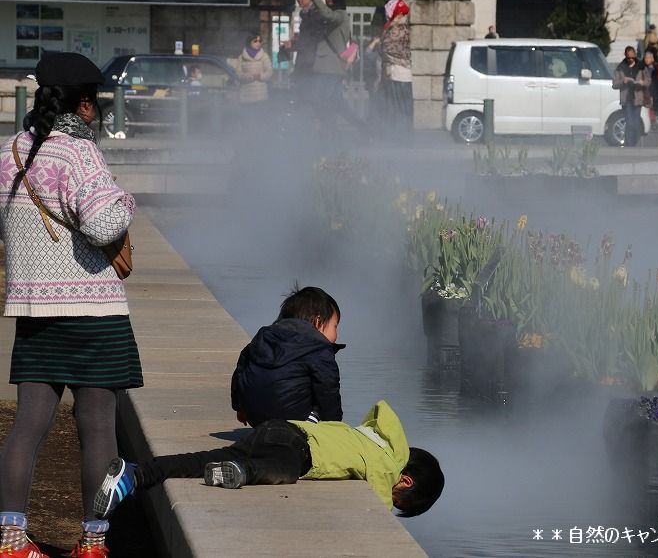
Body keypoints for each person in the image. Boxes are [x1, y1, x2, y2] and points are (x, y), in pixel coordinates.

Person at [0, 52, 141, 558]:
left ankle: (12, 541)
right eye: (96, 104)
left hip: (35, 312)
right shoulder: (79, 153)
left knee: (29, 425)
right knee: (98, 425)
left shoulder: (11, 150)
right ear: (84, 105)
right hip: (91, 312)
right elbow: (104, 226)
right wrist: (127, 200)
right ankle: (93, 542)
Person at [93, 400, 444, 520]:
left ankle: (136, 474)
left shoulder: (373, 438)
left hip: (279, 429)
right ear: (405, 481)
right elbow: (378, 504)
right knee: (287, 470)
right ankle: (244, 473)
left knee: (201, 459)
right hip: (296, 449)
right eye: (401, 499)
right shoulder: (386, 466)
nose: (393, 497)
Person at [231, 286, 344, 428]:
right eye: (335, 326)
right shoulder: (320, 349)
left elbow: (241, 369)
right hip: (293, 423)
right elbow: (329, 393)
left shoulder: (264, 337)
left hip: (256, 418)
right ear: (318, 322)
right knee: (321, 396)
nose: (336, 336)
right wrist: (335, 429)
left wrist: (240, 408)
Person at [280, 0, 355, 130]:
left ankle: (327, 134)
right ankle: (354, 130)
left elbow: (312, 40)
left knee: (320, 101)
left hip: (325, 66)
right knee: (335, 102)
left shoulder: (332, 15)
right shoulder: (310, 14)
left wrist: (294, 45)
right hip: (318, 66)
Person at [368, 0, 413, 143]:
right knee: (404, 108)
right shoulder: (404, 28)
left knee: (396, 108)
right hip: (403, 74)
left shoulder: (394, 29)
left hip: (395, 73)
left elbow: (386, 49)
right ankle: (404, 138)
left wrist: (378, 42)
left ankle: (397, 138)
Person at [612, 46, 644, 147]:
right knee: (629, 122)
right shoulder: (621, 67)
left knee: (636, 123)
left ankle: (635, 142)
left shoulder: (641, 67)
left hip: (637, 98)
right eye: (628, 57)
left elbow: (648, 81)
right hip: (626, 99)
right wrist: (623, 81)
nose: (631, 59)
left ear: (635, 55)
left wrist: (642, 83)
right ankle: (629, 144)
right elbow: (614, 84)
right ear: (625, 56)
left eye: (632, 57)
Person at [236, 33, 273, 108]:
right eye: (255, 41)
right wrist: (247, 76)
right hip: (246, 95)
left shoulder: (264, 56)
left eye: (260, 41)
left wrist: (260, 76)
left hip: (260, 96)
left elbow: (269, 72)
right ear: (249, 42)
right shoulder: (241, 57)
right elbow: (238, 73)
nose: (258, 43)